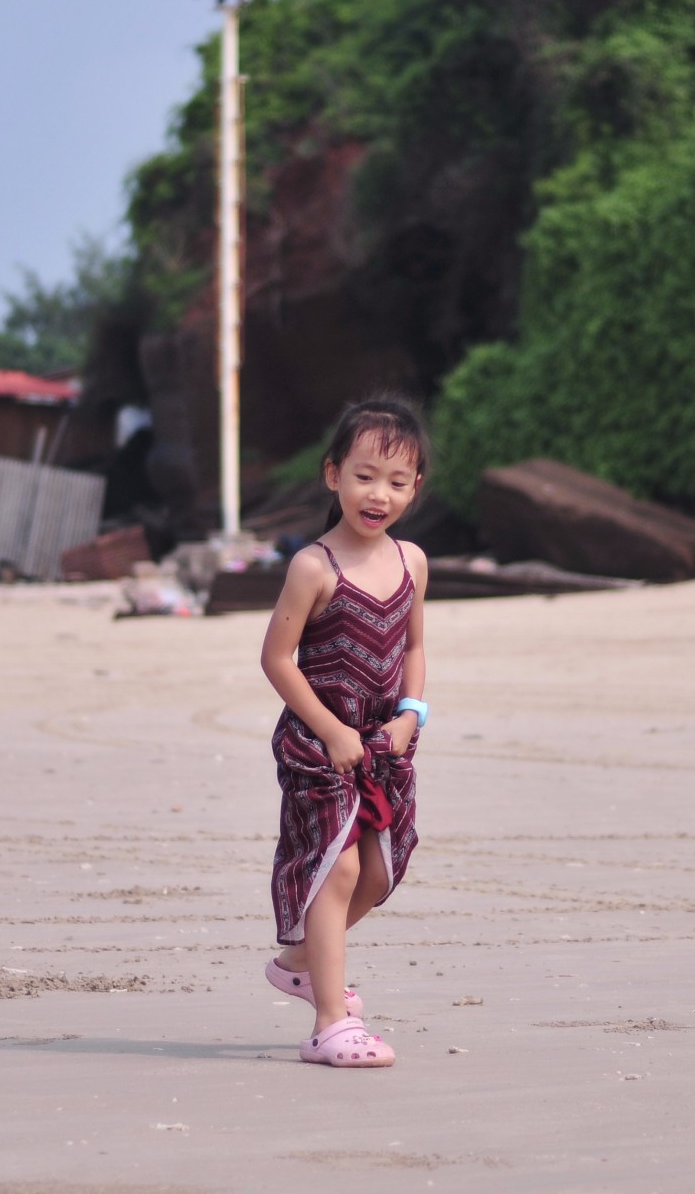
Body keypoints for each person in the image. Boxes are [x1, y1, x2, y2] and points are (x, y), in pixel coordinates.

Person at [259, 398, 433, 1067]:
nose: (378, 494)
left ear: (414, 489)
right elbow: (277, 659)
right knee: (339, 868)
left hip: (386, 746)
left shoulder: (412, 562)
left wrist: (413, 712)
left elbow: (415, 645)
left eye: (396, 481)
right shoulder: (313, 567)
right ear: (333, 475)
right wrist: (331, 730)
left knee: (379, 871)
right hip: (318, 744)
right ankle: (331, 1023)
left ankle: (303, 961)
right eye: (364, 476)